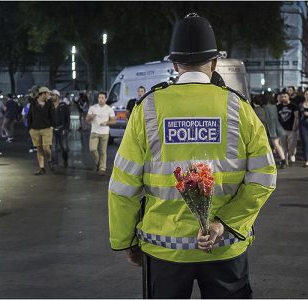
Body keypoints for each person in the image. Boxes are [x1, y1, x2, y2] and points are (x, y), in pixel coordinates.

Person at [108, 13, 276, 299]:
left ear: (174, 64)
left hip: (164, 250)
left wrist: (125, 240)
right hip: (225, 247)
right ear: (213, 63)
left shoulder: (147, 108)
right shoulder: (239, 108)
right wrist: (225, 224)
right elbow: (264, 178)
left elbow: (123, 186)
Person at [86, 92, 115, 176]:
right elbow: (87, 119)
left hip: (104, 132)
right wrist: (91, 117)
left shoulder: (109, 109)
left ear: (105, 99)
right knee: (93, 149)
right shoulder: (93, 108)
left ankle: (102, 168)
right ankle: (98, 162)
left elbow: (113, 121)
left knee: (103, 151)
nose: (101, 99)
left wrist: (107, 123)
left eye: (102, 98)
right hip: (94, 132)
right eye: (99, 98)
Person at [27, 86, 55, 175]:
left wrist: (52, 126)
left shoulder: (49, 104)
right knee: (39, 149)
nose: (49, 95)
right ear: (43, 94)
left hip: (46, 129)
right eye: (48, 93)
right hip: (35, 129)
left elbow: (53, 116)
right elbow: (29, 116)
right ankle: (42, 168)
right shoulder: (33, 103)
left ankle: (50, 159)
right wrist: (30, 128)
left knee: (46, 148)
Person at [263, 91, 287, 169]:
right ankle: (283, 160)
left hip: (270, 128)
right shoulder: (274, 106)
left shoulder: (265, 107)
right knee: (277, 145)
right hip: (277, 126)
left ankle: (281, 161)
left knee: (273, 145)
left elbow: (266, 119)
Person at [277, 89, 298, 164]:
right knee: (283, 145)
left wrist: (295, 126)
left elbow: (296, 116)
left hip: (291, 129)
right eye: (282, 97)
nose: (283, 98)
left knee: (292, 145)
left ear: (288, 97)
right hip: (282, 129)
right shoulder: (278, 106)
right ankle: (285, 159)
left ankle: (292, 154)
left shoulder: (293, 106)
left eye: (285, 96)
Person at [51, 89, 71, 167]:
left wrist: (66, 128)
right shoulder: (50, 106)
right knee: (53, 147)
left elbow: (67, 118)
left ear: (57, 96)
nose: (52, 97)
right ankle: (55, 162)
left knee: (64, 147)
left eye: (53, 95)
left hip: (62, 129)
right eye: (51, 95)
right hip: (52, 129)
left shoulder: (63, 105)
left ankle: (65, 159)